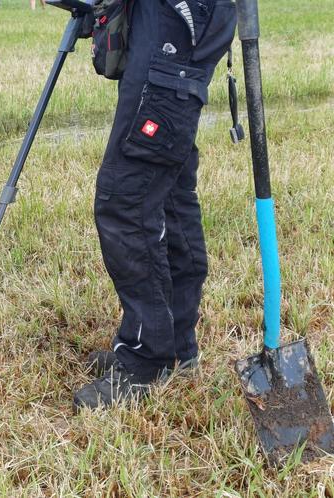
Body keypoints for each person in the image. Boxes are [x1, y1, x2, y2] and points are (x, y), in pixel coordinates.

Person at [73, 0, 238, 410]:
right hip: (171, 17)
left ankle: (148, 360)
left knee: (125, 198)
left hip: (177, 15)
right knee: (168, 191)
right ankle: (177, 346)